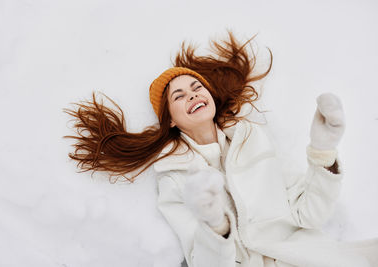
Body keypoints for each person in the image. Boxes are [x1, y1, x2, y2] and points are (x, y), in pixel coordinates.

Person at [65, 32, 378, 266]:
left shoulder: (254, 140)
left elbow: (309, 214)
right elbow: (203, 261)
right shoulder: (174, 179)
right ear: (170, 121)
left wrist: (323, 152)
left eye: (196, 87)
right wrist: (216, 226)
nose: (192, 95)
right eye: (179, 96)